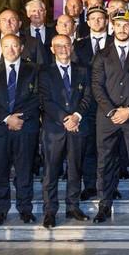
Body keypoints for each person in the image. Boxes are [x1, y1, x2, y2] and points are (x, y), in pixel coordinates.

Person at [91, 9, 129, 223]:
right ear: (112, 27)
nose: (122, 28)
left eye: (126, 25)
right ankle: (104, 206)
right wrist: (112, 110)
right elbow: (96, 86)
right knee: (105, 162)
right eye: (118, 25)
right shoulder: (102, 54)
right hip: (107, 118)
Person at [0, 34, 40, 226]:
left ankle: (25, 209)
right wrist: (7, 119)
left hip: (25, 126)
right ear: (1, 48)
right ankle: (0, 210)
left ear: (21, 48)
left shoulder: (33, 69)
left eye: (15, 46)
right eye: (7, 46)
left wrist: (20, 118)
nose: (11, 50)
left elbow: (38, 96)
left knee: (24, 170)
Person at [39, 35, 93, 228]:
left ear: (72, 47)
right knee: (51, 172)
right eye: (58, 46)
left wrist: (77, 116)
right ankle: (50, 211)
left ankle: (73, 206)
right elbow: (45, 100)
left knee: (74, 170)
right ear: (52, 49)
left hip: (78, 127)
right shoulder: (44, 72)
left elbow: (88, 96)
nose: (63, 48)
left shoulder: (83, 70)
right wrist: (66, 119)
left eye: (66, 45)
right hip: (54, 130)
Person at [74, 5, 112, 201]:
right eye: (93, 18)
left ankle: (109, 186)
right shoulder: (78, 46)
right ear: (87, 22)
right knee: (89, 147)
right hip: (87, 103)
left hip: (111, 102)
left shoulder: (117, 42)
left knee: (109, 148)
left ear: (107, 21)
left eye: (101, 18)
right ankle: (90, 186)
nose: (97, 21)